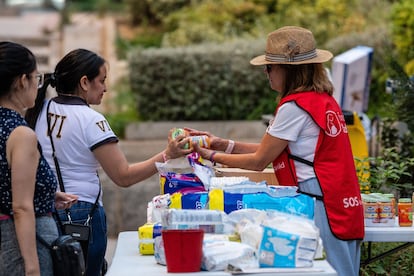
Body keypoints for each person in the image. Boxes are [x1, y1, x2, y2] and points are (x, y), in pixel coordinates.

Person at [188, 26, 364, 276]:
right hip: (341, 199)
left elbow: (260, 160)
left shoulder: (294, 107)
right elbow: (273, 150)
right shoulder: (322, 100)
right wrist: (222, 144)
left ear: (289, 70)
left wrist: (210, 156)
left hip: (318, 199)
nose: (266, 72)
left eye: (270, 67)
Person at [24, 48, 191, 276]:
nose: (105, 88)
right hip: (82, 213)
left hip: (45, 211)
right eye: (101, 81)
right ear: (85, 82)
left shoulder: (39, 110)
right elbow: (124, 176)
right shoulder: (92, 120)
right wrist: (168, 155)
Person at [0, 41, 78, 276]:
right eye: (36, 78)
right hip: (24, 243)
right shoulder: (20, 133)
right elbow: (21, 207)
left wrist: (45, 193)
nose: (37, 84)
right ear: (22, 80)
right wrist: (32, 268)